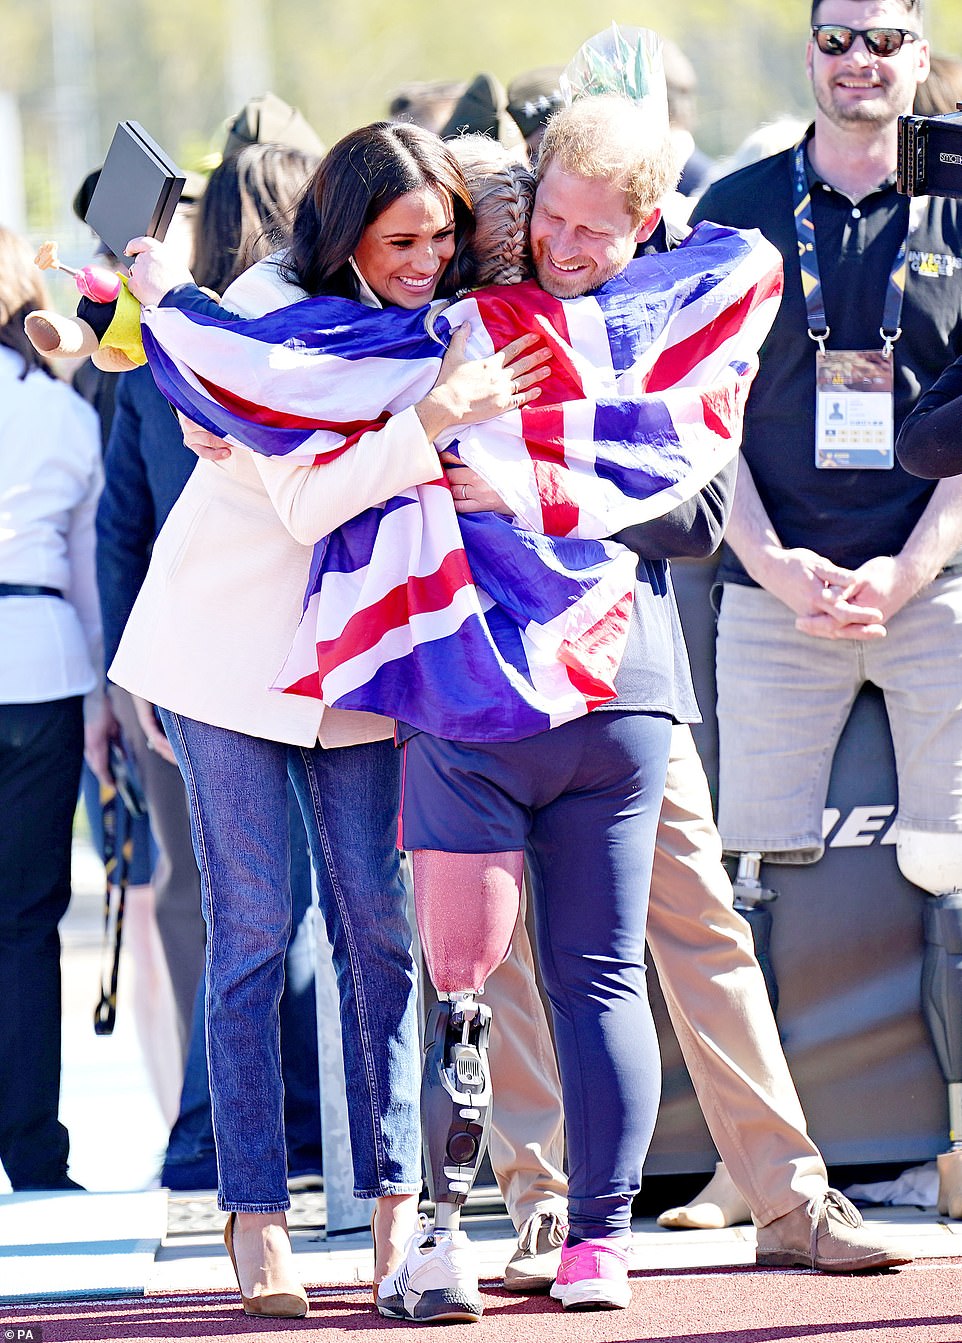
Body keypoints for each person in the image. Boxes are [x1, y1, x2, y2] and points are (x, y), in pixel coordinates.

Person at [114, 120, 550, 1322]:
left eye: (441, 238)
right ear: (342, 227)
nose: (425, 260)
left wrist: (434, 423)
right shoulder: (265, 302)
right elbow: (310, 494)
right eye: (400, 238)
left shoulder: (444, 319)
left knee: (378, 929)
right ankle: (256, 1215)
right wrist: (425, 422)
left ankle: (400, 1208)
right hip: (224, 658)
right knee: (255, 931)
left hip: (363, 665)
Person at [691, 0, 962, 1217]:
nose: (859, 61)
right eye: (835, 38)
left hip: (933, 578)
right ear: (808, 52)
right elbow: (693, 415)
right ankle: (744, 1169)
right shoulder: (736, 206)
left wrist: (908, 568)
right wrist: (769, 558)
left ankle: (958, 1150)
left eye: (884, 39)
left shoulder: (956, 183)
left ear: (920, 50)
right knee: (736, 884)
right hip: (770, 586)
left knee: (954, 868)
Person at [97, 141, 327, 1189]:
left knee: (228, 911)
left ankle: (215, 1142)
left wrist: (124, 669)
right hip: (310, 649)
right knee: (335, 906)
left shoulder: (164, 346)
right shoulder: (312, 338)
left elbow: (120, 523)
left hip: (185, 652)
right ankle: (313, 1128)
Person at [0, 225, 103, 1191]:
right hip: (39, 661)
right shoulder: (61, 415)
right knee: (26, 920)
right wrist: (108, 697)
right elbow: (85, 563)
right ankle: (33, 1150)